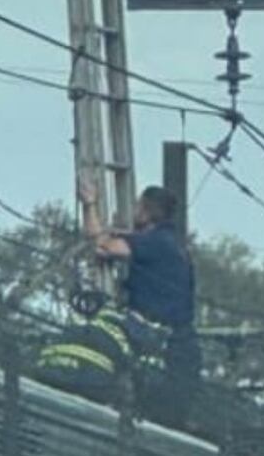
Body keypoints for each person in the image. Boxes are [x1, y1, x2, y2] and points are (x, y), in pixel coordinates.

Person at [77, 179, 201, 427]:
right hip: (179, 349)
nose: (133, 212)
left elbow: (103, 247)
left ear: (146, 212)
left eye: (136, 207)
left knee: (100, 342)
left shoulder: (154, 242)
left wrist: (90, 204)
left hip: (153, 338)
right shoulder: (173, 246)